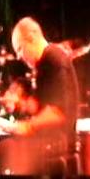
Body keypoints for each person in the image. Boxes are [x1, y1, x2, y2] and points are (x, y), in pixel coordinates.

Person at [8, 17, 80, 162]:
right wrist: (19, 102)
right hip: (50, 144)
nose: (19, 56)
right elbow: (41, 106)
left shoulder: (54, 59)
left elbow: (59, 112)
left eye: (20, 49)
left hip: (59, 148)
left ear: (31, 38)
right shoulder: (44, 63)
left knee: (3, 151)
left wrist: (29, 125)